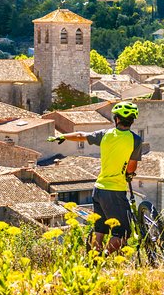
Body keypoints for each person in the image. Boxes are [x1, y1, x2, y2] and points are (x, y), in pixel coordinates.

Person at [48, 101, 142, 253]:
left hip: (98, 190)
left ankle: (93, 261)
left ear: (116, 119)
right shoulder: (135, 140)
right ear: (132, 120)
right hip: (114, 191)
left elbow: (80, 135)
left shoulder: (105, 134)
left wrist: (63, 136)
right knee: (122, 233)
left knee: (100, 230)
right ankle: (104, 258)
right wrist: (129, 174)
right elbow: (131, 166)